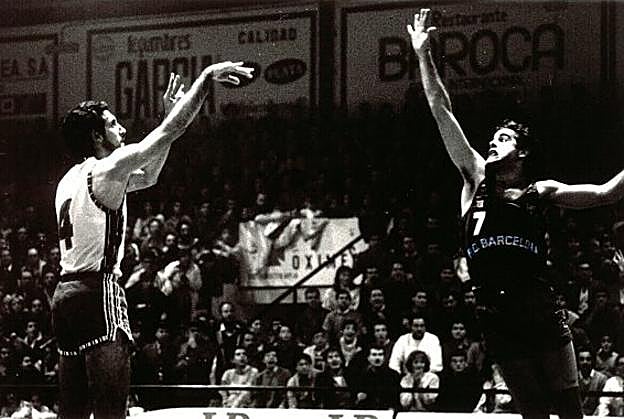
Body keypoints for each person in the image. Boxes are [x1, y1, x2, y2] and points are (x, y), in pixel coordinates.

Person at [409, 7, 624, 419]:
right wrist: (423, 54)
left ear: (522, 153)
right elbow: (440, 108)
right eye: (493, 137)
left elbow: (605, 193)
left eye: (503, 138)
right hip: (496, 316)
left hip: (539, 308)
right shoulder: (474, 178)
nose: (493, 142)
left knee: (570, 412)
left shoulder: (541, 191)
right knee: (534, 415)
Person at [52, 62, 254, 419]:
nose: (122, 129)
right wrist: (205, 79)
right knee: (112, 410)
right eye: (113, 124)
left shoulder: (69, 180)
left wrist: (167, 119)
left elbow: (148, 177)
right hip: (98, 289)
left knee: (72, 411)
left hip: (65, 295)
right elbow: (169, 131)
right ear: (97, 137)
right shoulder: (108, 167)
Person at [577, 347, 608, 416]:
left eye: (588, 359)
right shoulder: (574, 378)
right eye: (581, 359)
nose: (585, 362)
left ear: (593, 361)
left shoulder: (601, 379)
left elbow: (602, 403)